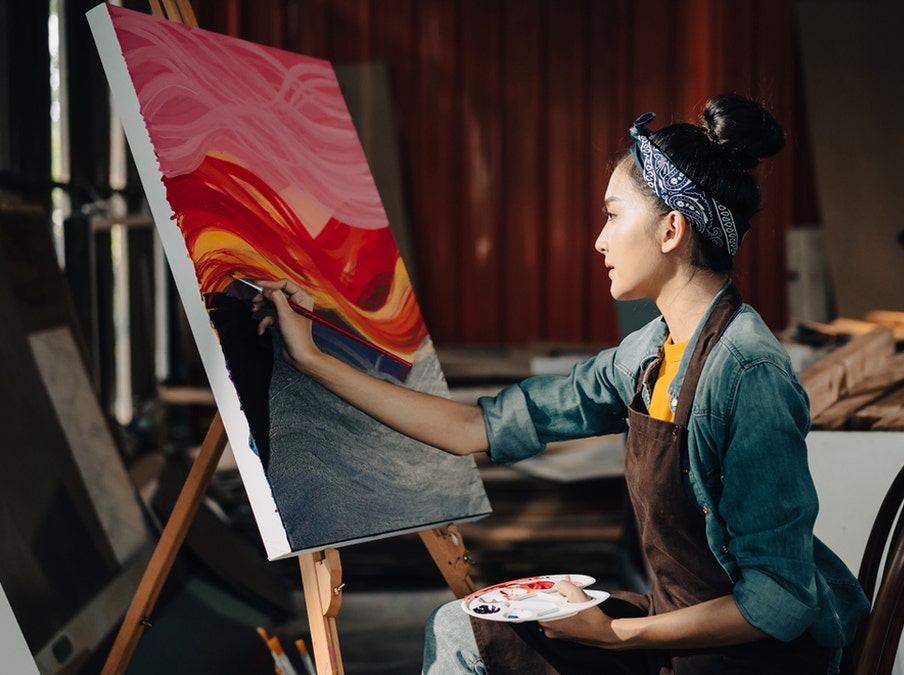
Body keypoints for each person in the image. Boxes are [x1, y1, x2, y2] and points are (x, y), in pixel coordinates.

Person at [254, 93, 869, 674]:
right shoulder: (651, 353)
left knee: (471, 637)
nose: (599, 239)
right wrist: (314, 361)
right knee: (459, 627)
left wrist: (618, 634)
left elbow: (783, 600)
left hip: (744, 661)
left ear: (671, 231)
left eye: (612, 216)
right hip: (682, 633)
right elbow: (476, 428)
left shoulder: (748, 372)